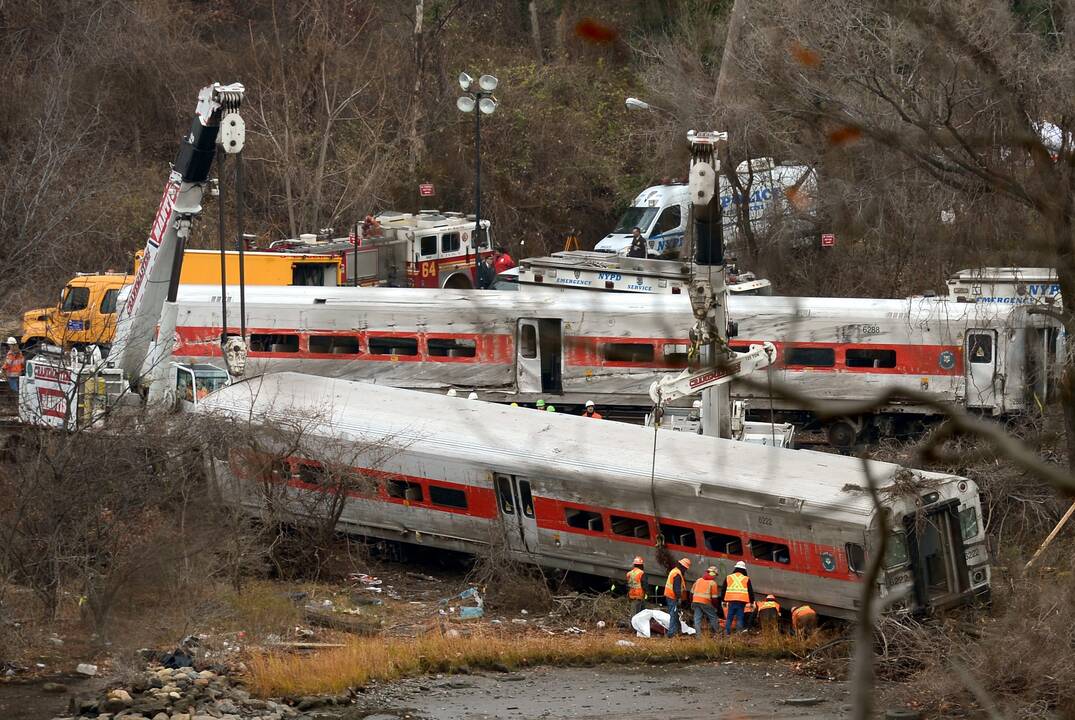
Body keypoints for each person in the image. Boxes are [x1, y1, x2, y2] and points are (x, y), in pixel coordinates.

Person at [720, 560, 755, 635]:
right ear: (744, 569)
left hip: (731, 601)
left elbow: (723, 590)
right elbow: (750, 591)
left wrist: (723, 600)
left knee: (729, 617)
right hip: (741, 602)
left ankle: (727, 633)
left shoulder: (728, 577)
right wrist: (752, 602)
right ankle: (738, 633)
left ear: (735, 568)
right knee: (740, 618)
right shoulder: (746, 579)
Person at [663, 557, 691, 638]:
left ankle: (678, 630)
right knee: (673, 614)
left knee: (675, 614)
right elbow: (677, 588)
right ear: (683, 567)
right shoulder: (677, 574)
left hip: (670, 596)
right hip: (673, 597)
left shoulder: (674, 571)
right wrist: (679, 599)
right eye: (685, 568)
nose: (685, 570)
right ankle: (671, 634)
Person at [690, 566, 721, 637]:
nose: (715, 576)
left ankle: (698, 636)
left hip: (696, 601)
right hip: (705, 602)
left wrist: (692, 602)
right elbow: (714, 599)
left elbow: (691, 593)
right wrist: (716, 607)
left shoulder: (698, 580)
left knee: (697, 619)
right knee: (713, 617)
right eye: (715, 575)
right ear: (713, 574)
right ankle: (717, 633)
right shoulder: (713, 583)